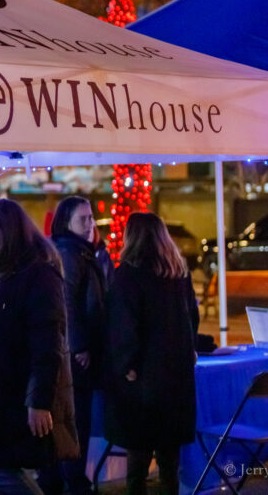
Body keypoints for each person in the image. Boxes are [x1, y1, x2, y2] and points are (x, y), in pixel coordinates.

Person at [0, 198, 78, 494]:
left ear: (9, 230)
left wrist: (38, 401)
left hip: (13, 396)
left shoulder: (38, 276)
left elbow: (48, 344)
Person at [104, 212, 198, 495]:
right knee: (170, 462)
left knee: (138, 461)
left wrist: (126, 365)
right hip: (176, 376)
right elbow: (191, 318)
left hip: (143, 378)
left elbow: (123, 324)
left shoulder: (129, 274)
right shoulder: (178, 272)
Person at [45, 196, 107, 495]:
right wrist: (80, 344)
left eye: (91, 217)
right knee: (74, 419)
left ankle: (64, 479)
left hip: (78, 352)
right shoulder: (69, 253)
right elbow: (66, 300)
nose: (90, 224)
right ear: (65, 222)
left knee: (75, 419)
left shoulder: (82, 252)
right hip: (73, 356)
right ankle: (71, 481)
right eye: (82, 219)